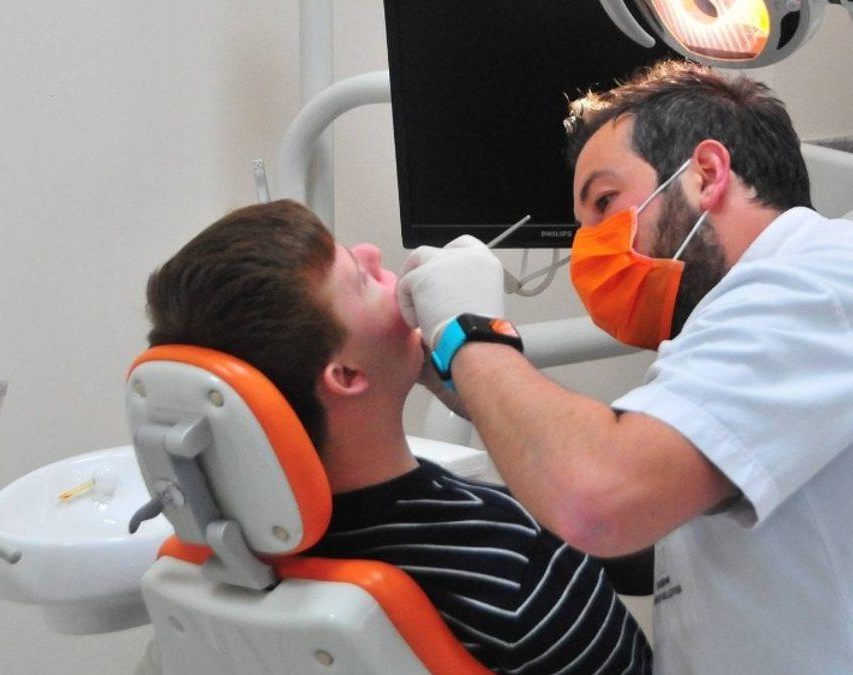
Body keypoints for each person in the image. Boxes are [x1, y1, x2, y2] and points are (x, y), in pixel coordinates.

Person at [396, 60, 853, 673]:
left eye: (605, 202)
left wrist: (470, 334)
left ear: (706, 173)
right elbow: (655, 537)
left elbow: (602, 497)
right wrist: (476, 389)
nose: (590, 245)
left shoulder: (814, 283)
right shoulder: (755, 309)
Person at [144, 200, 653, 674]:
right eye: (360, 277)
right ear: (346, 375)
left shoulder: (221, 564)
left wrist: (487, 394)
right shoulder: (515, 561)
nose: (372, 252)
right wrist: (483, 344)